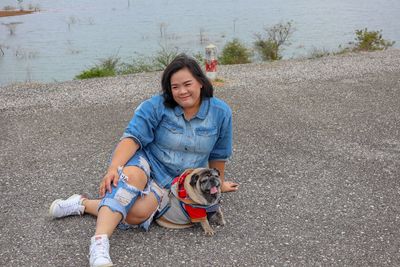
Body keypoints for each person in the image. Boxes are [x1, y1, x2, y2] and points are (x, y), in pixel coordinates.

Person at [49, 54, 239, 267]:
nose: (182, 91)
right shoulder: (156, 105)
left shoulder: (220, 112)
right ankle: (99, 244)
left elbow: (219, 154)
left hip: (178, 182)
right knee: (126, 185)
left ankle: (81, 203)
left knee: (135, 215)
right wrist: (114, 168)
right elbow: (132, 137)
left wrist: (219, 184)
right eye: (175, 87)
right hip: (149, 162)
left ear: (201, 82)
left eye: (187, 84)